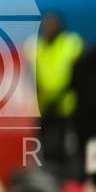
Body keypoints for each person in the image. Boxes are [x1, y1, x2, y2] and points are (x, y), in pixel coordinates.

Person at [25, 12, 84, 180]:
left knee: (69, 148)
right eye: (46, 24)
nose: (49, 27)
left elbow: (78, 75)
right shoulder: (35, 47)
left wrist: (61, 96)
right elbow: (32, 77)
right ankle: (47, 181)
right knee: (44, 148)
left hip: (67, 107)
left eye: (53, 24)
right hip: (45, 107)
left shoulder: (71, 44)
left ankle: (70, 181)